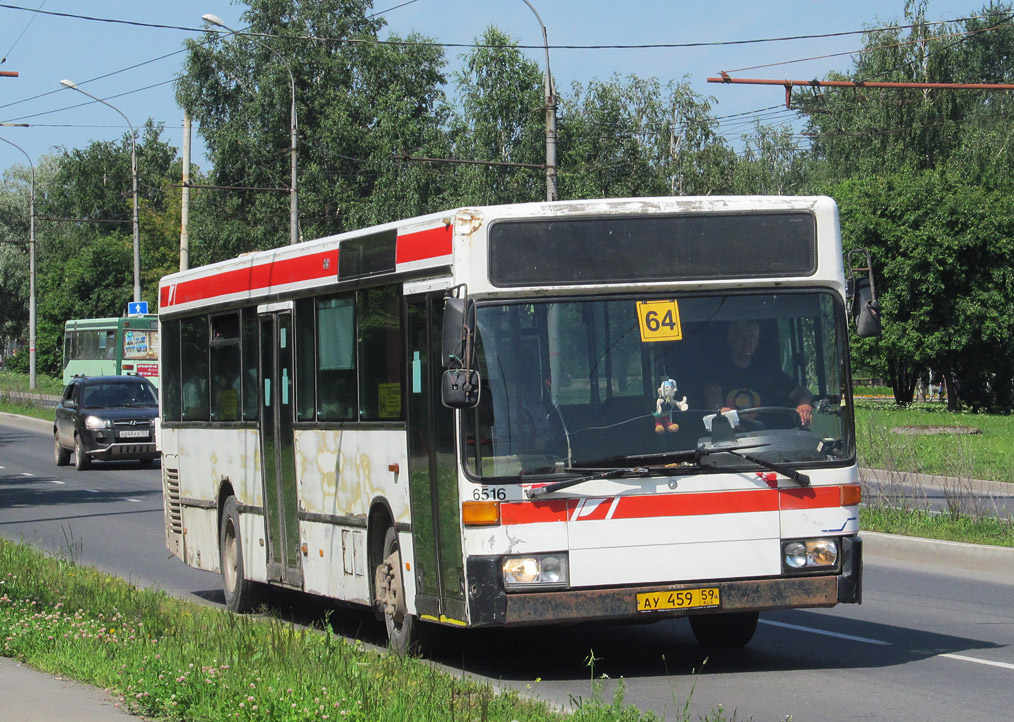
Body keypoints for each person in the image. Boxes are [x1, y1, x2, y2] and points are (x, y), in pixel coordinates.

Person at [701, 320, 813, 427]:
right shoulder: (717, 373)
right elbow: (713, 402)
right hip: (732, 440)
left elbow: (802, 392)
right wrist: (721, 412)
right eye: (741, 336)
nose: (747, 341)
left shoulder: (768, 372)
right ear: (730, 339)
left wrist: (804, 405)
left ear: (757, 341)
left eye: (751, 337)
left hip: (769, 439)